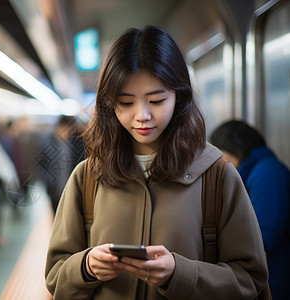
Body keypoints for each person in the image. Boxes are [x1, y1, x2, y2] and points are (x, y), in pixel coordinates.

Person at [45, 26, 268, 299]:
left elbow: (250, 278)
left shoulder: (217, 176)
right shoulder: (88, 177)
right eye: (126, 103)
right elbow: (55, 277)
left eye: (156, 100)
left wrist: (179, 273)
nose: (142, 116)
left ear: (180, 96)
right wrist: (86, 266)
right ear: (109, 104)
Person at [210, 120, 290, 300]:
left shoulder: (267, 173)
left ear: (236, 149)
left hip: (273, 279)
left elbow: (261, 237)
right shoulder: (256, 172)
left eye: (222, 155)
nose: (220, 163)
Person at [39, 115, 85, 214]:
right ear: (58, 127)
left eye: (69, 129)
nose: (66, 132)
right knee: (56, 215)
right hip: (54, 190)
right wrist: (50, 181)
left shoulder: (75, 144)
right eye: (64, 128)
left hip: (71, 189)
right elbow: (42, 165)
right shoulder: (48, 143)